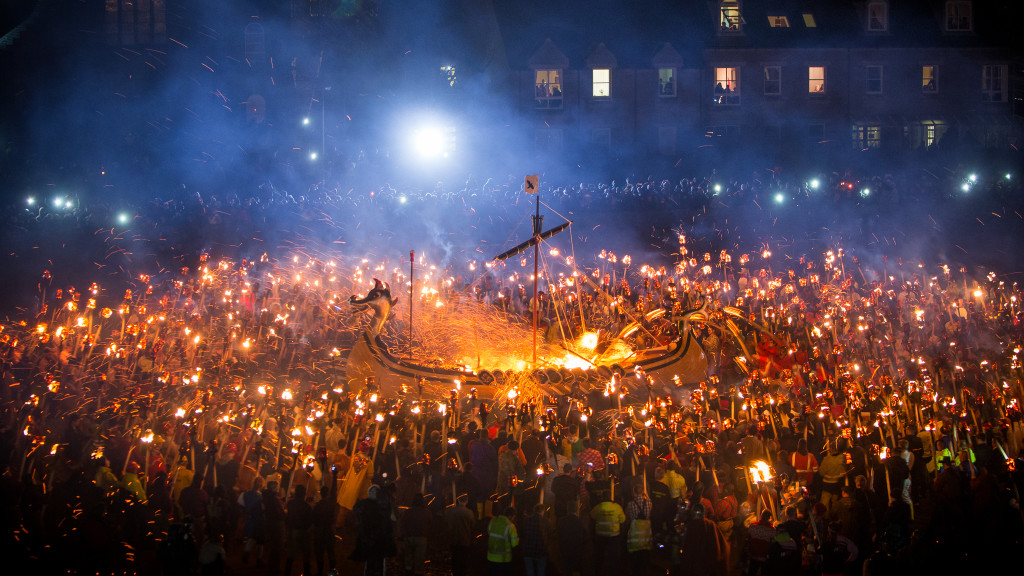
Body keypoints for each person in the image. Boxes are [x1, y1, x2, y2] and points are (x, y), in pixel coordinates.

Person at [351, 485, 396, 576]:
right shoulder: (382, 506)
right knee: (375, 565)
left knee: (372, 565)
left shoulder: (373, 506)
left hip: (373, 542)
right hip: (377, 542)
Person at [590, 489, 626, 576]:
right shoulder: (617, 507)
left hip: (600, 536)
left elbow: (592, 516)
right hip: (614, 536)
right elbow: (623, 520)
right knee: (614, 557)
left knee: (599, 556)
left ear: (603, 497)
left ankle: (597, 571)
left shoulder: (598, 507)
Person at [284, 483, 314, 576]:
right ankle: (307, 572)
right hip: (303, 531)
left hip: (293, 530)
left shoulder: (290, 503)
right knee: (306, 553)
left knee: (291, 554)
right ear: (304, 494)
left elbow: (287, 516)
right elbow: (310, 520)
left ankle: (287, 572)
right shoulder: (307, 507)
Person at [399, 493, 431, 576]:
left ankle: (408, 571)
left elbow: (403, 524)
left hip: (409, 537)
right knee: (419, 559)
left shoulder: (407, 512)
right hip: (421, 538)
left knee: (408, 558)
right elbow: (430, 525)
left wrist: (401, 537)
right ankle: (418, 572)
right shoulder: (426, 512)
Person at [625, 482, 653, 576]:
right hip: (646, 534)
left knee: (635, 559)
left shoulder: (630, 504)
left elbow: (627, 517)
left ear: (633, 492)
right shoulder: (649, 502)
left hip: (635, 535)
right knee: (644, 557)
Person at [445, 493, 476, 576]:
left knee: (455, 560)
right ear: (467, 501)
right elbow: (473, 526)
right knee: (463, 561)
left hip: (454, 539)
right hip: (465, 540)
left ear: (458, 500)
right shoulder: (469, 513)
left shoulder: (451, 511)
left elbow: (446, 522)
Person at [238, 476, 265, 565]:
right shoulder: (261, 497)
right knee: (260, 541)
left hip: (249, 519)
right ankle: (259, 559)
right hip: (258, 520)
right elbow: (263, 509)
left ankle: (246, 556)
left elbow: (240, 505)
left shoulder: (245, 494)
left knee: (251, 538)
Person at [487, 504, 519, 576]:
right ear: (511, 516)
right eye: (514, 517)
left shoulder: (492, 521)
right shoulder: (511, 526)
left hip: (491, 557)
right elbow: (514, 544)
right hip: (504, 559)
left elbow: (489, 533)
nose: (514, 519)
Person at [312, 485, 338, 576]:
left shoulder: (318, 506)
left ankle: (320, 572)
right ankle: (332, 572)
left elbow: (313, 518)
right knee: (331, 551)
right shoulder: (331, 505)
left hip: (320, 530)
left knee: (320, 552)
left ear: (321, 494)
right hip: (329, 529)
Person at [557, 499, 586, 576]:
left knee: (566, 569)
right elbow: (585, 536)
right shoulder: (579, 522)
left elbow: (558, 534)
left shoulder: (561, 521)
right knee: (576, 568)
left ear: (567, 509)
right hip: (577, 550)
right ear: (576, 509)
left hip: (565, 549)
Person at [520, 503, 549, 576]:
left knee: (530, 571)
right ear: (542, 511)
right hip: (541, 551)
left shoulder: (526, 520)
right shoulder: (546, 521)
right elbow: (550, 534)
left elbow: (522, 534)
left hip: (528, 551)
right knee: (541, 571)